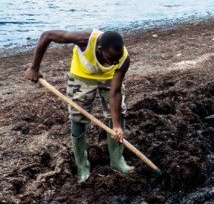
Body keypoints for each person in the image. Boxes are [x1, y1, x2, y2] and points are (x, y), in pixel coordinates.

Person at [25, 29, 133, 183]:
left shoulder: (123, 59)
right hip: (82, 76)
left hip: (109, 78)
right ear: (100, 49)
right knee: (78, 118)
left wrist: (116, 126)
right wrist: (34, 68)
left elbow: (114, 93)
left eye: (117, 59)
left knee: (118, 113)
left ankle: (117, 161)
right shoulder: (84, 40)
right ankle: (82, 166)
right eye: (111, 59)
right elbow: (47, 35)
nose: (115, 62)